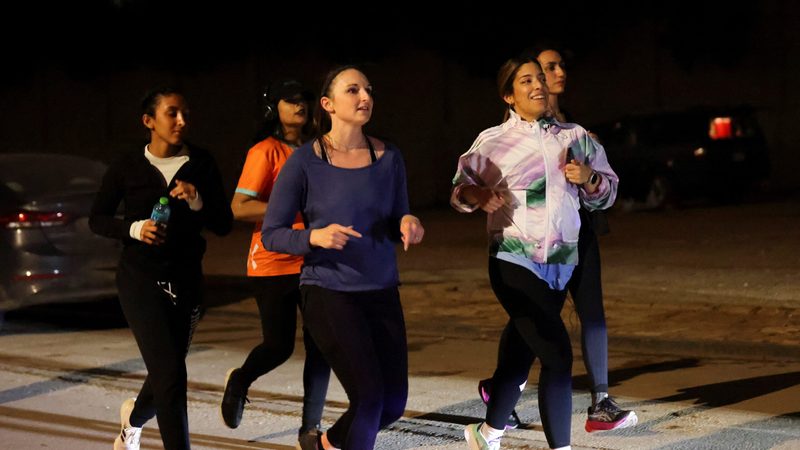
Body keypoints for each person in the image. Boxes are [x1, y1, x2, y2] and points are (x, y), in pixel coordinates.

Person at [452, 56, 618, 450]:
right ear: (509, 95)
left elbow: (607, 194)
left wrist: (590, 179)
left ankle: (487, 433)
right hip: (513, 259)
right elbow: (460, 191)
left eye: (540, 78)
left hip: (561, 264)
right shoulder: (492, 141)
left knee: (519, 353)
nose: (539, 85)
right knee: (558, 355)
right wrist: (477, 195)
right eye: (527, 80)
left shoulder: (576, 137)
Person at [261, 65, 424, 450]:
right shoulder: (304, 161)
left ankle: (326, 444)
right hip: (329, 290)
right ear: (327, 104)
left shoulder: (389, 156)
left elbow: (402, 211)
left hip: (381, 289)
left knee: (392, 404)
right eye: (353, 90)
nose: (365, 97)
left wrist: (409, 222)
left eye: (368, 89)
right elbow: (272, 234)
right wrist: (314, 236)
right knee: (368, 398)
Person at [90, 86, 233, 450]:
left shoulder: (201, 163)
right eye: (172, 113)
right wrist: (134, 228)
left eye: (185, 113)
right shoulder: (127, 165)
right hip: (140, 279)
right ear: (149, 121)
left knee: (164, 373)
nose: (182, 121)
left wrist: (198, 200)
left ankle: (132, 421)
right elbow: (97, 219)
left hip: (186, 280)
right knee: (171, 374)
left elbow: (223, 224)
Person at [220, 79, 332, 449]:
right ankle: (240, 379)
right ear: (274, 108)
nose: (300, 105)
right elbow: (239, 207)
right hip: (272, 262)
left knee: (321, 345)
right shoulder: (265, 151)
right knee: (279, 345)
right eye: (290, 100)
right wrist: (289, 208)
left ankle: (310, 429)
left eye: (305, 99)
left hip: (313, 260)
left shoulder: (320, 149)